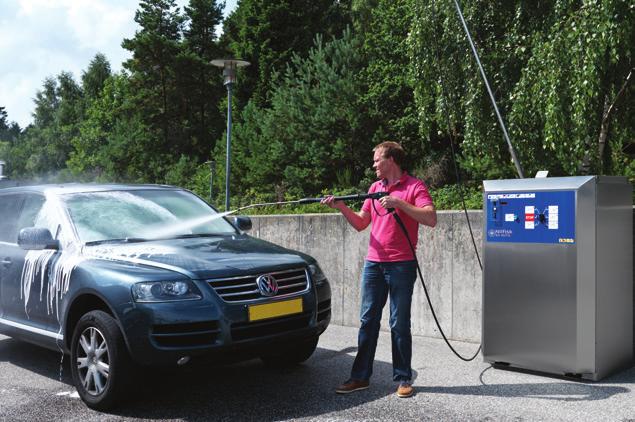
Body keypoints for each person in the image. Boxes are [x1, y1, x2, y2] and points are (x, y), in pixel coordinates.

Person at [321, 141, 436, 398]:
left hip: (401, 265)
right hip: (374, 264)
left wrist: (400, 203)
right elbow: (362, 223)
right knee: (368, 320)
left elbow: (431, 218)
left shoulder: (414, 186)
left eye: (377, 160)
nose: (373, 165)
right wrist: (340, 206)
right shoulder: (374, 188)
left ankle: (403, 379)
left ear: (391, 160)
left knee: (399, 322)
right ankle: (360, 377)